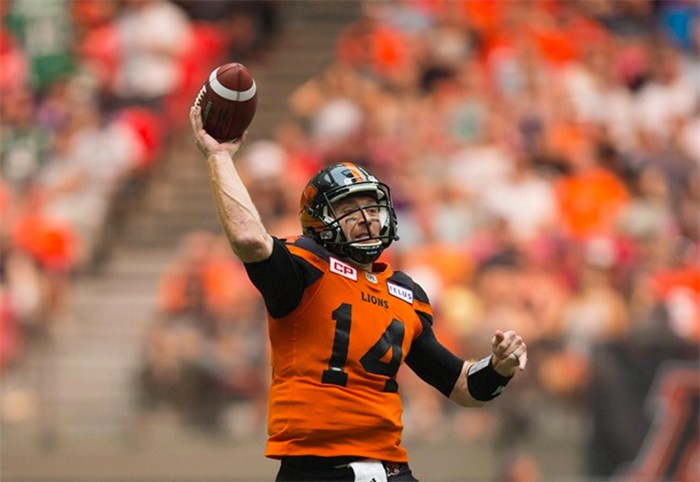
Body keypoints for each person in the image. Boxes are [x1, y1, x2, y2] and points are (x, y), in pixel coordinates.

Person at [189, 105, 528, 482]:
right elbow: (249, 238)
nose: (366, 218)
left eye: (371, 206)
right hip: (316, 471)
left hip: (391, 469)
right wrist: (219, 157)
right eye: (349, 208)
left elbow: (463, 386)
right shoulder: (305, 269)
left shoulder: (405, 292)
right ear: (320, 220)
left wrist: (498, 367)